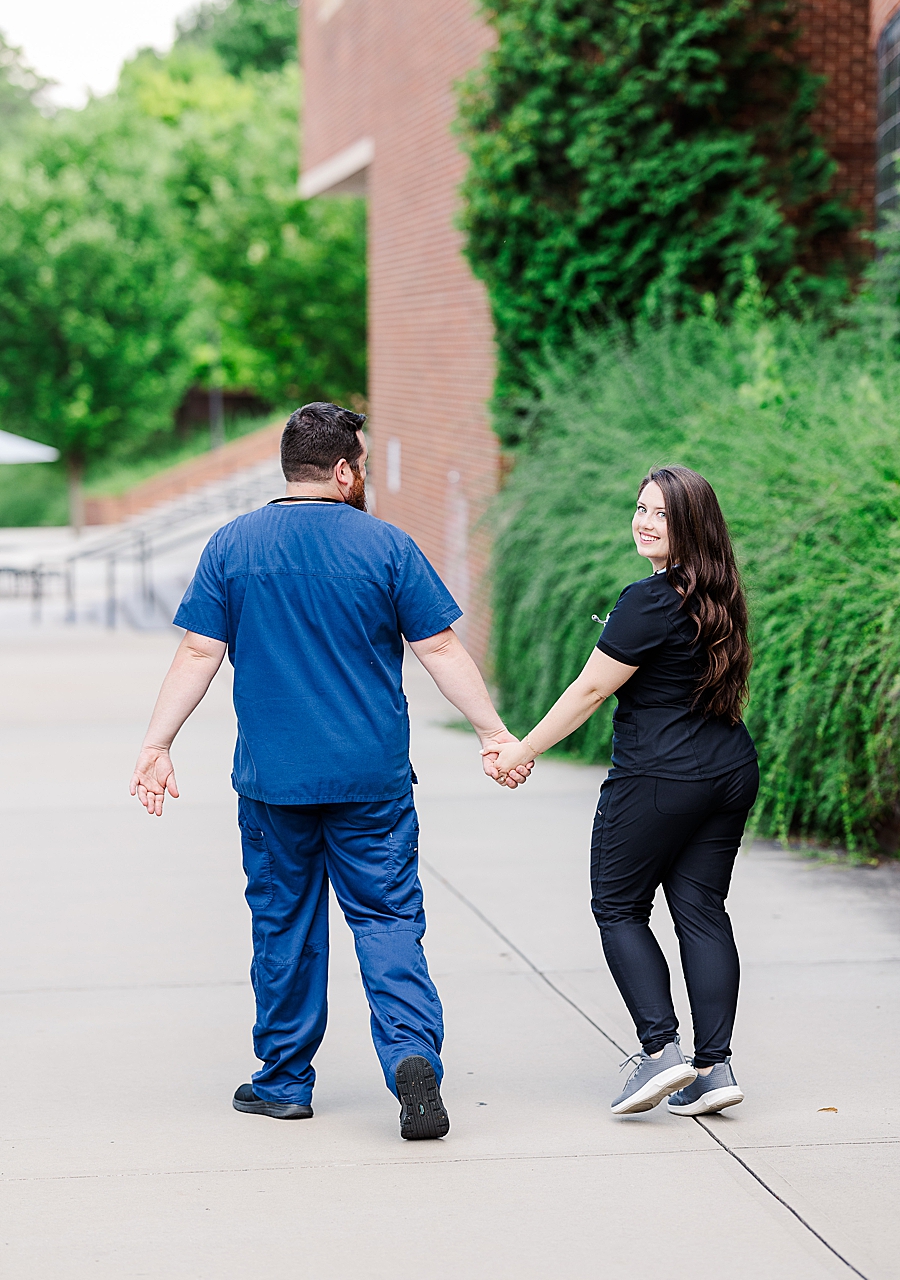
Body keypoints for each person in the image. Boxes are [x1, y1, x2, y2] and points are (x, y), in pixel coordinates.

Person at [130, 402, 531, 1141]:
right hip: (371, 780)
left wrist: (158, 744)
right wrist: (493, 733)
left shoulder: (233, 545)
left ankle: (283, 1082)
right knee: (386, 920)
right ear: (344, 470)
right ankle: (412, 1057)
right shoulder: (385, 546)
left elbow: (197, 654)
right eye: (364, 467)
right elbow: (439, 649)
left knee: (284, 926)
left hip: (274, 782)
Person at [484, 466, 757, 1117]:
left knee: (618, 905)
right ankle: (714, 1068)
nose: (643, 521)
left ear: (690, 524)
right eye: (640, 508)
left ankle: (660, 1054)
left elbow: (590, 689)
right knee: (701, 910)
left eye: (659, 513)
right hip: (727, 768)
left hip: (660, 776)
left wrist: (521, 750)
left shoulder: (649, 599)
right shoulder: (722, 593)